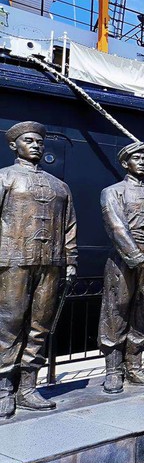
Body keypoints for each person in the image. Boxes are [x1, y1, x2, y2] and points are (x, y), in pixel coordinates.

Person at [0, 121, 77, 418]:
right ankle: (4, 388)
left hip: (51, 263)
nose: (36, 146)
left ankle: (28, 387)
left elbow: (70, 226)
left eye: (39, 142)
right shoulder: (5, 178)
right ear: (13, 146)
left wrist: (71, 260)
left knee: (40, 325)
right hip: (13, 261)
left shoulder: (60, 186)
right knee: (9, 324)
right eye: (29, 141)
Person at [100, 141, 144, 394]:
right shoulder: (112, 192)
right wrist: (140, 260)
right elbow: (116, 227)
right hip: (124, 259)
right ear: (125, 163)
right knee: (116, 311)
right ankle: (113, 369)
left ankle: (134, 365)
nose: (142, 162)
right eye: (137, 158)